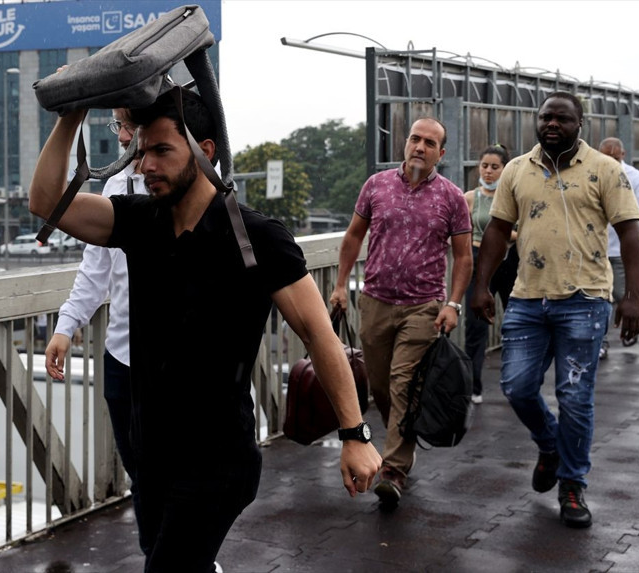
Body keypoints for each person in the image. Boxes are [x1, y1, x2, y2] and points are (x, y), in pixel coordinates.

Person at [29, 88, 382, 572]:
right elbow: (47, 201)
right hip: (152, 455)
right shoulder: (140, 221)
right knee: (164, 555)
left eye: (161, 151)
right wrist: (73, 112)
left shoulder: (256, 236)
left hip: (218, 462)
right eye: (141, 151)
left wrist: (355, 433)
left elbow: (318, 333)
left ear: (205, 150)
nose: (144, 165)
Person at [470, 91, 639, 529]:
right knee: (516, 386)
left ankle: (572, 485)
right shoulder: (516, 170)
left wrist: (634, 296)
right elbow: (497, 229)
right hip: (528, 298)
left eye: (562, 119)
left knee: (575, 397)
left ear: (579, 124)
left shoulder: (606, 170)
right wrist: (482, 285)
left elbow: (629, 234)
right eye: (546, 117)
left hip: (585, 300)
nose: (552, 124)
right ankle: (550, 446)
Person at [329, 117, 473, 508]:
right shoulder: (376, 186)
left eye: (429, 143)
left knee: (403, 382)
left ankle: (393, 469)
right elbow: (354, 236)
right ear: (404, 144)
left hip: (423, 306)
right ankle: (405, 434)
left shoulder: (451, 197)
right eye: (414, 139)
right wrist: (341, 285)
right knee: (380, 388)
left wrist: (453, 304)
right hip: (375, 300)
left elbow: (463, 257)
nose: (419, 147)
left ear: (441, 154)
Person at [44, 108, 146, 547]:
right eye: (118, 126)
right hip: (122, 359)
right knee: (141, 476)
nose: (121, 137)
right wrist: (67, 326)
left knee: (183, 477)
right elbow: (96, 268)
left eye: (127, 126)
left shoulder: (193, 188)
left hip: (178, 363)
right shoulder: (117, 185)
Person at [462, 144, 518, 403]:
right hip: (477, 261)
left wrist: (502, 236)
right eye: (484, 166)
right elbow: (459, 230)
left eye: (495, 167)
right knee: (476, 326)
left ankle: (517, 380)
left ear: (505, 169)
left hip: (509, 262)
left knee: (516, 322)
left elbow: (527, 229)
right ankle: (473, 386)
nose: (489, 171)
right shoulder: (470, 198)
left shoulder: (514, 196)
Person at [597, 137, 639, 356]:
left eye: (614, 157)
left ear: (622, 155)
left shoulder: (634, 177)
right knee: (600, 299)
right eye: (606, 157)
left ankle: (630, 328)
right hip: (596, 250)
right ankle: (600, 342)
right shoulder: (591, 175)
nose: (610, 161)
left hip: (621, 249)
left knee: (624, 295)